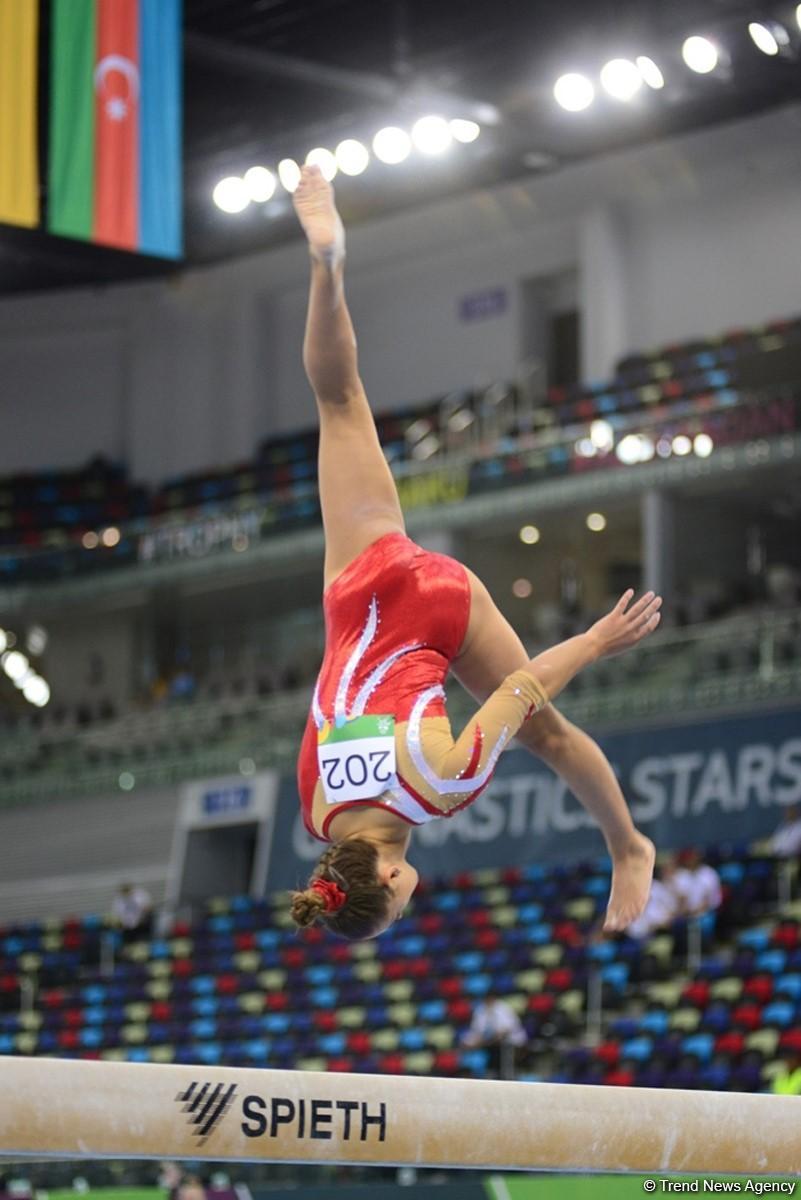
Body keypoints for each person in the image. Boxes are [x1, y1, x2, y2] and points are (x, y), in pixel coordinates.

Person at [289, 165, 659, 941]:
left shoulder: (441, 787)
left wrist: (594, 641)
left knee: (549, 735)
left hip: (436, 607)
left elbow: (522, 689)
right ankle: (326, 268)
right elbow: (330, 709)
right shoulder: (317, 810)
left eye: (397, 905)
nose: (409, 900)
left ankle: (627, 845)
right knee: (338, 401)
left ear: (387, 875)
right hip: (358, 589)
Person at [462, 993, 527, 1079]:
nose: (488, 1002)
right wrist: (471, 1042)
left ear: (493, 999)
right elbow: (477, 1031)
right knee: (467, 1044)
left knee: (500, 1045)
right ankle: (476, 1074)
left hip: (511, 1040)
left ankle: (507, 1075)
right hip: (490, 1042)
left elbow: (505, 1031)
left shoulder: (503, 1008)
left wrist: (485, 1040)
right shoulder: (480, 1010)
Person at [625, 861, 682, 940]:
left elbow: (672, 909)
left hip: (658, 929)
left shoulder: (657, 887)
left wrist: (660, 924)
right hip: (637, 932)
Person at [670, 849, 722, 918]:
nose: (690, 862)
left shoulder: (708, 873)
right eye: (687, 859)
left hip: (708, 912)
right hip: (686, 914)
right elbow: (680, 898)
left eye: (692, 859)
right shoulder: (681, 875)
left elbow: (712, 898)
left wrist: (698, 910)